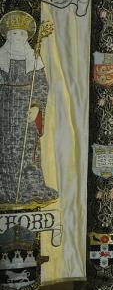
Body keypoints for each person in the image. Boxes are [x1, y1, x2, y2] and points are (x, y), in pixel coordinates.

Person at [0, 11, 57, 208]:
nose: (18, 38)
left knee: (28, 151)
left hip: (27, 112)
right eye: (14, 34)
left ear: (27, 37)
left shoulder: (34, 58)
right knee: (6, 150)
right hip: (6, 111)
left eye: (22, 34)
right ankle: (6, 189)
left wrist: (36, 107)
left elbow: (42, 85)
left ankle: (29, 189)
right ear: (7, 36)